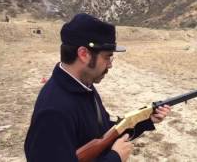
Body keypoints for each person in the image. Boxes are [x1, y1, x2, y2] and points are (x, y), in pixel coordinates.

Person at [24, 13, 171, 162]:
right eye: (107, 56)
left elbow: (105, 131)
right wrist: (115, 158)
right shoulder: (53, 111)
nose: (110, 64)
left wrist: (146, 120)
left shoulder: (84, 85)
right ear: (83, 54)